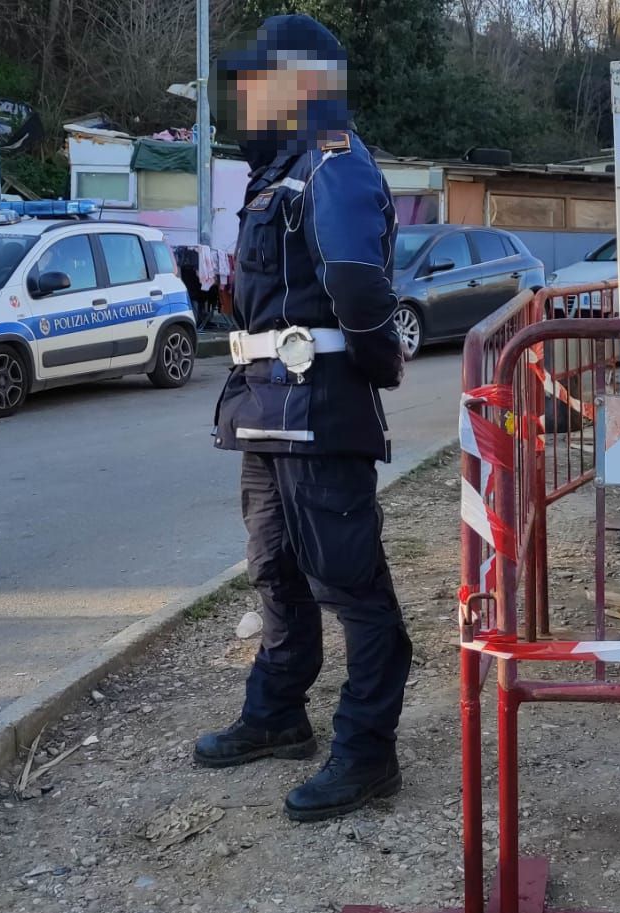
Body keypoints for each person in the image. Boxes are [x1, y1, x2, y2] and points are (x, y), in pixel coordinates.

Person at [193, 13, 411, 824]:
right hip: (261, 405)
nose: (245, 98)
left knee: (350, 584)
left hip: (317, 406)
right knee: (275, 572)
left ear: (306, 83)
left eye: (258, 82)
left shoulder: (335, 163)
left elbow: (357, 285)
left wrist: (378, 367)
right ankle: (278, 712)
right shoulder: (279, 171)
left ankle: (367, 751)